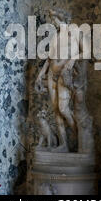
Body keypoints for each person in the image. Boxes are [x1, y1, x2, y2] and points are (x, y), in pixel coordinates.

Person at [35, 9, 82, 152]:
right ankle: (64, 145)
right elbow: (50, 58)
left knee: (63, 109)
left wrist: (72, 61)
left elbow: (85, 51)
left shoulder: (74, 32)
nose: (52, 21)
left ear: (62, 18)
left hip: (64, 75)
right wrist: (41, 73)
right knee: (56, 111)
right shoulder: (56, 36)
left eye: (54, 19)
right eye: (51, 19)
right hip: (51, 75)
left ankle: (79, 140)